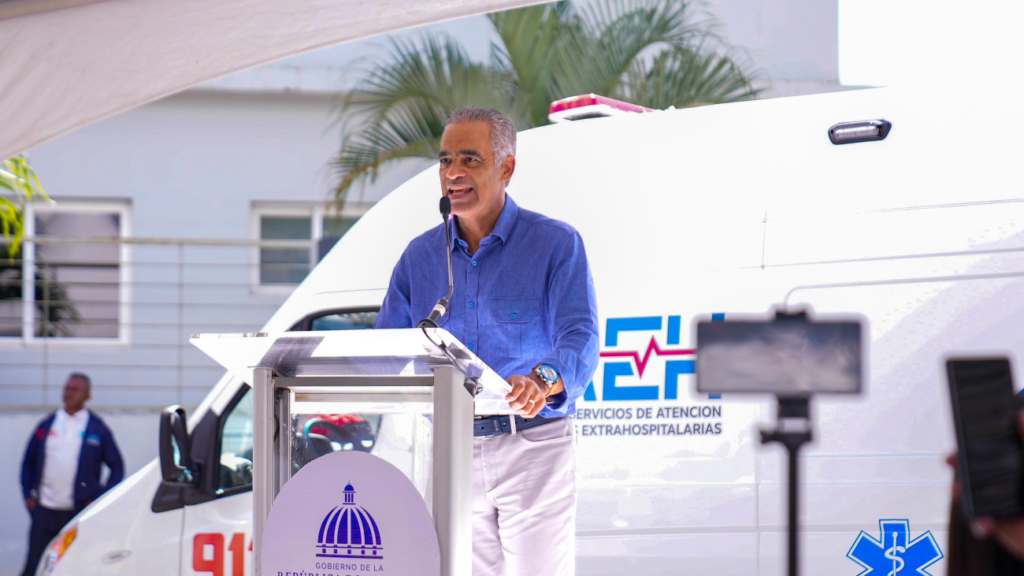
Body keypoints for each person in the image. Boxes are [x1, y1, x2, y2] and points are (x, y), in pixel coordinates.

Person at [374, 106, 600, 576]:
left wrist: (541, 381)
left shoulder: (556, 245)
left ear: (506, 167)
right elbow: (386, 351)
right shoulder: (420, 257)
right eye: (445, 160)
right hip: (449, 448)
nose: (453, 173)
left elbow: (580, 337)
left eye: (469, 160)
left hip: (532, 446)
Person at [19, 372, 124, 576]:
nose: (69, 393)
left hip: (77, 513)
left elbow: (117, 467)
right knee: (35, 565)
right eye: (67, 388)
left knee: (77, 565)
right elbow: (28, 462)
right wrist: (28, 495)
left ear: (87, 396)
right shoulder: (48, 424)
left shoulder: (97, 428)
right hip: (45, 510)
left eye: (75, 389)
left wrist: (99, 499)